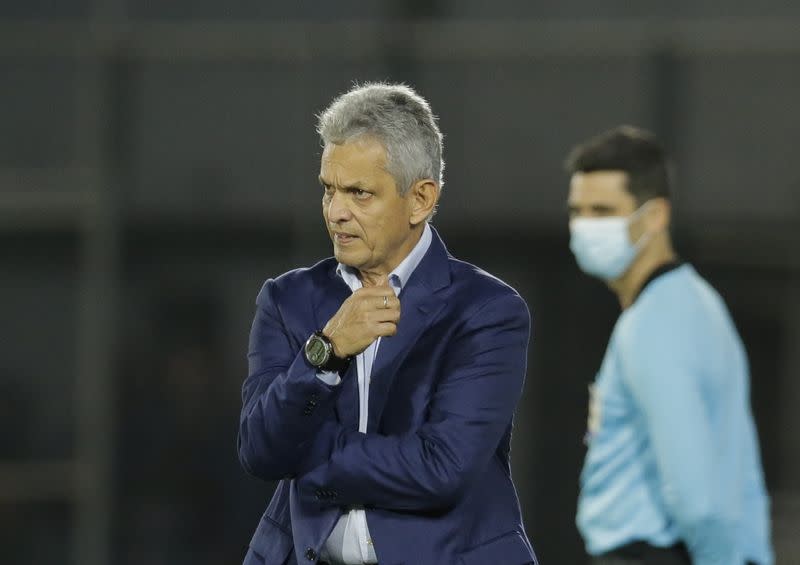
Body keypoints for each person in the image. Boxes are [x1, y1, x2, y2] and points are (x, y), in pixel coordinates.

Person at [238, 83, 538, 565]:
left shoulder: (487, 311)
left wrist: (309, 458)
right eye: (329, 189)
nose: (336, 212)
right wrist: (327, 349)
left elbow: (442, 468)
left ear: (420, 199)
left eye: (359, 193)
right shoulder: (288, 299)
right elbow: (260, 447)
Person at [565, 126, 773, 565]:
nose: (585, 226)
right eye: (577, 211)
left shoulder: (657, 321)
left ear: (656, 216)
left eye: (603, 210)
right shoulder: (689, 303)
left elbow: (697, 495)